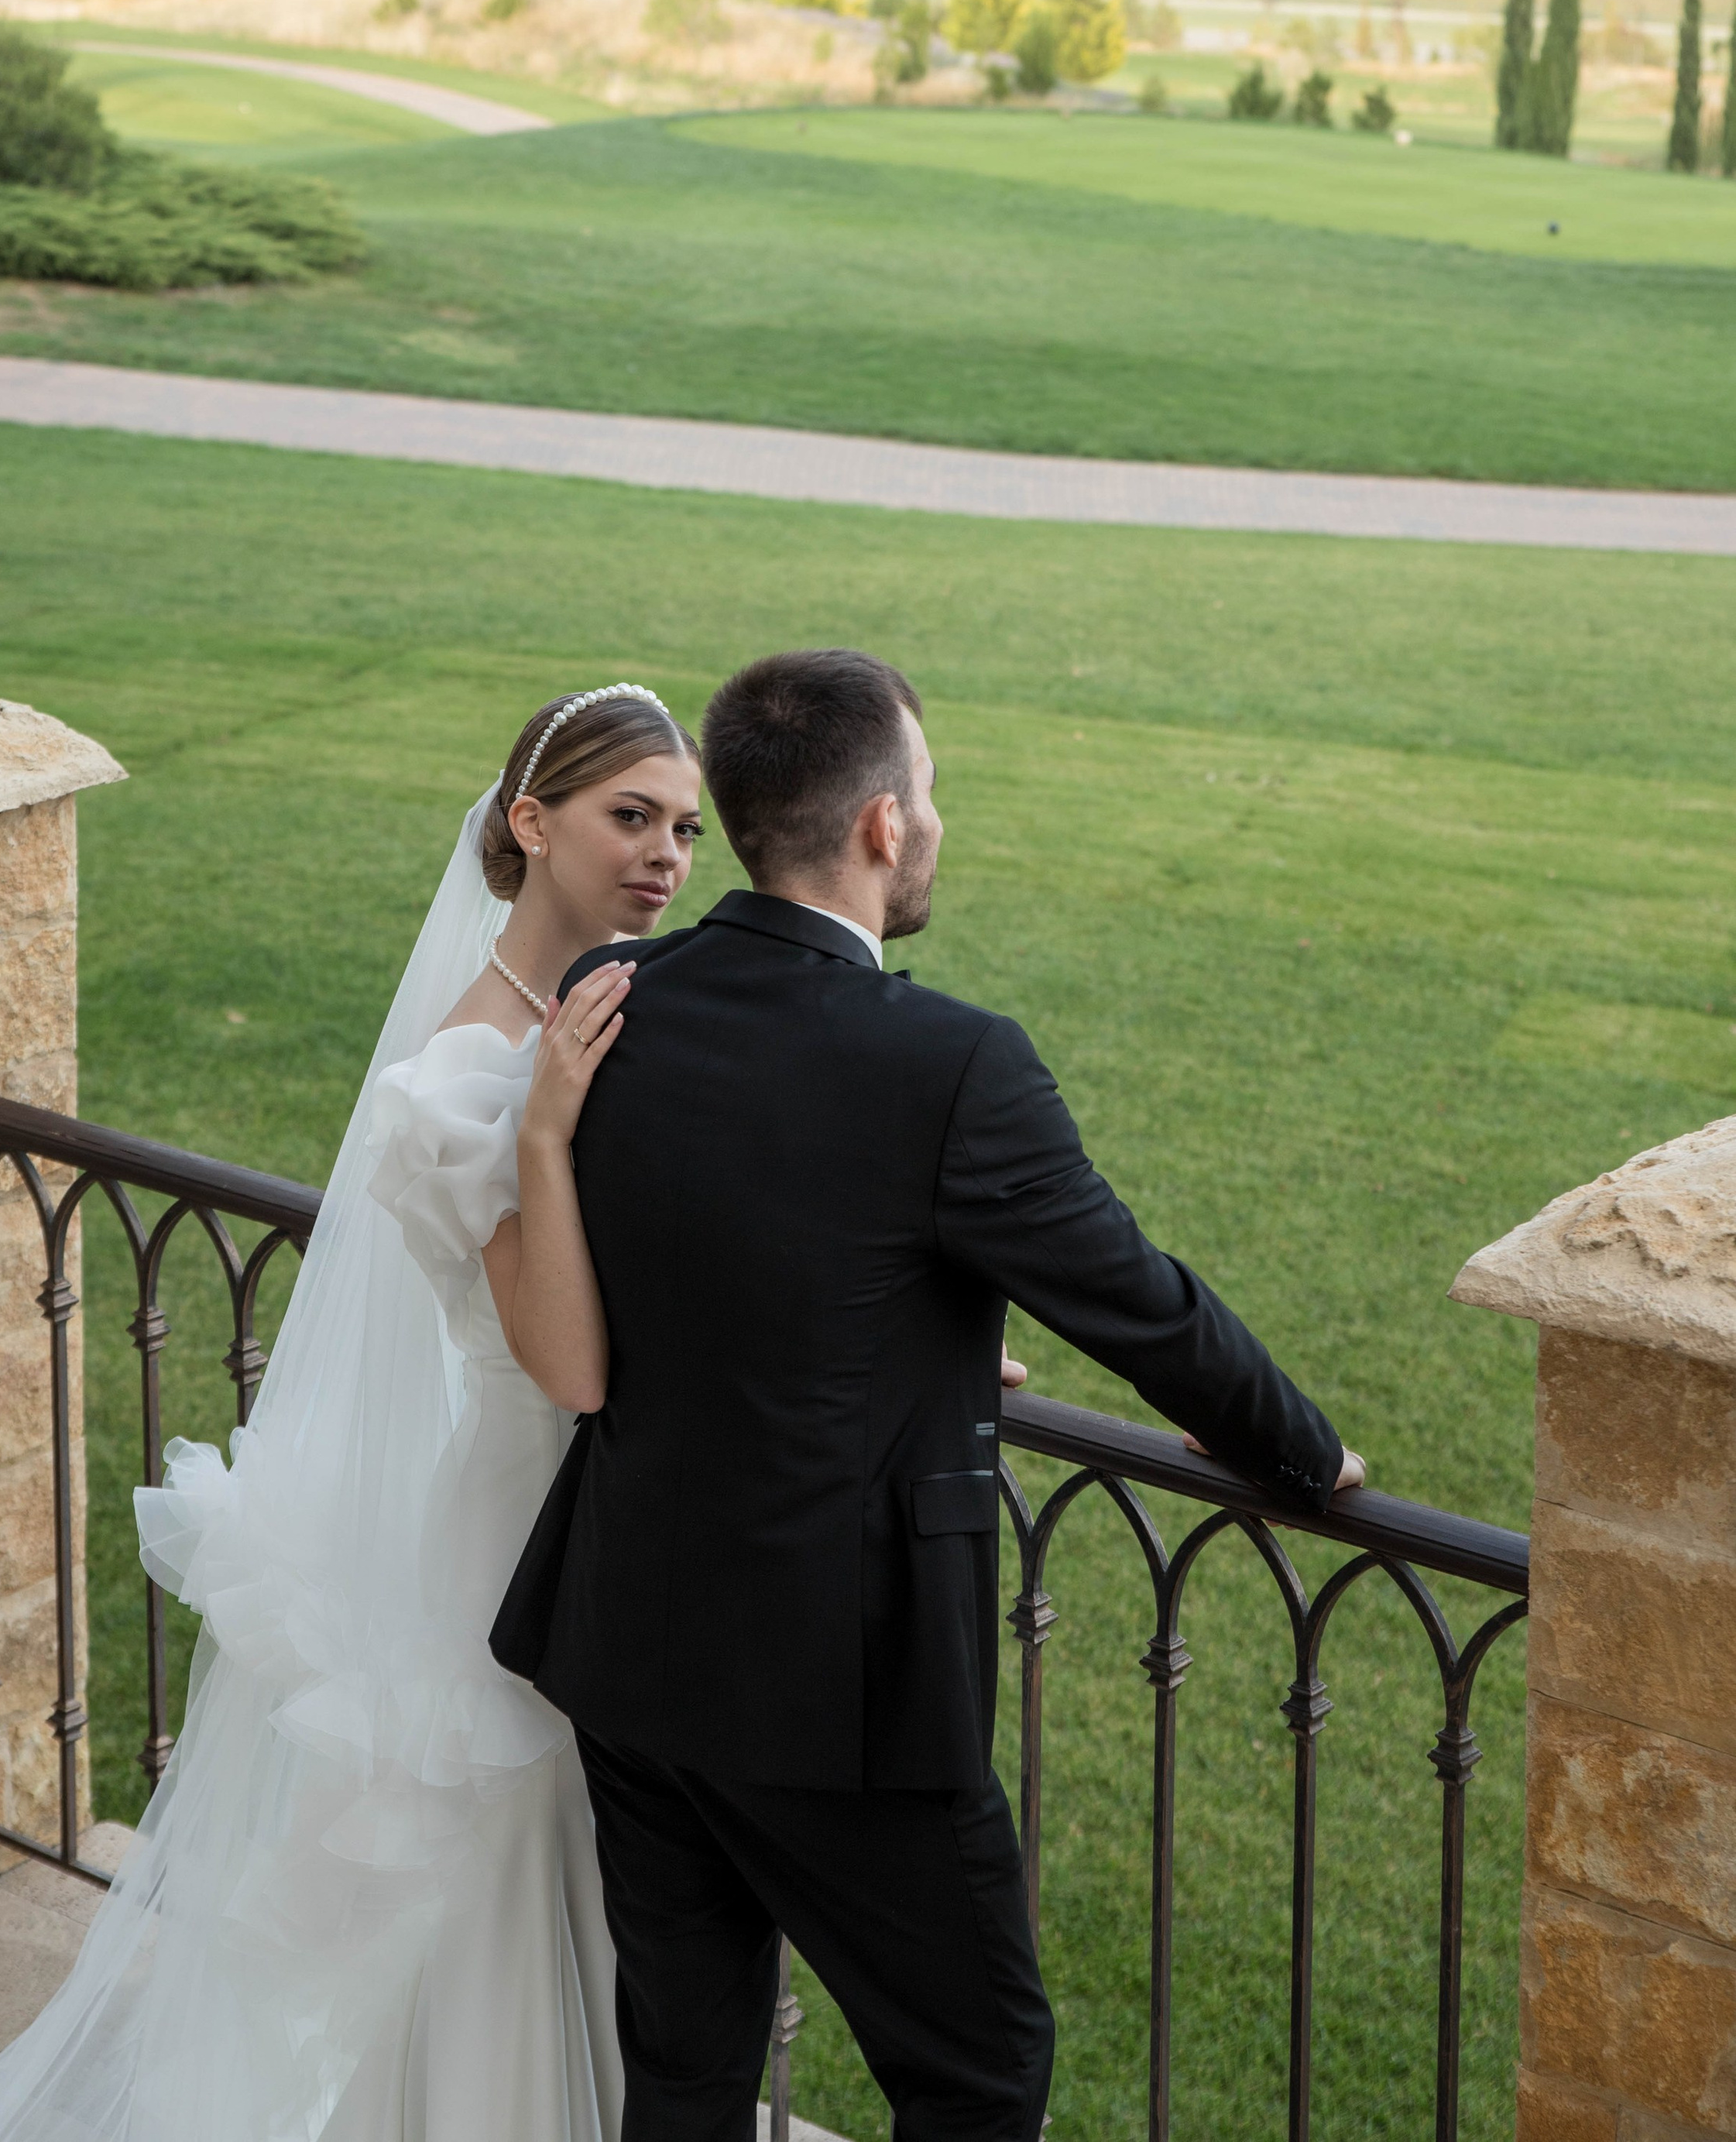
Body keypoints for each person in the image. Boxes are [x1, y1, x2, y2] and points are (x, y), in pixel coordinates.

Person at [495, 647, 1364, 2142]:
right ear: (883, 827)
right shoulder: (952, 1064)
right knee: (977, 2066)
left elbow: (745, 1258)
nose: (938, 825)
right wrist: (1301, 1449)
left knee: (687, 2072)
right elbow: (1138, 1302)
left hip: (630, 1638)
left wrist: (927, 1341)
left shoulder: (617, 994)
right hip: (838, 1687)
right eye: (933, 794)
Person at [0, 683, 701, 2142]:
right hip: (514, 1523)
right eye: (630, 817)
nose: (667, 857)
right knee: (499, 1880)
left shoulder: (627, 1011)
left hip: (613, 1520)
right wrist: (549, 1123)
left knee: (602, 1896)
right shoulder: (464, 1073)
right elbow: (556, 1353)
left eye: (686, 828)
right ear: (530, 821)